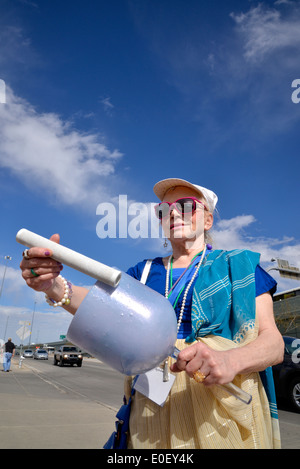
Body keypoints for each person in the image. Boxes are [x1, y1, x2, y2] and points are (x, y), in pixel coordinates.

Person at [20, 177, 284, 449]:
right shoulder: (143, 272)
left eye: (184, 206)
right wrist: (51, 285)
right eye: (163, 210)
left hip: (220, 409)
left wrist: (231, 360)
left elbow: (274, 345)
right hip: (151, 409)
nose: (172, 213)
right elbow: (96, 305)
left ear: (208, 220)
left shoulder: (238, 267)